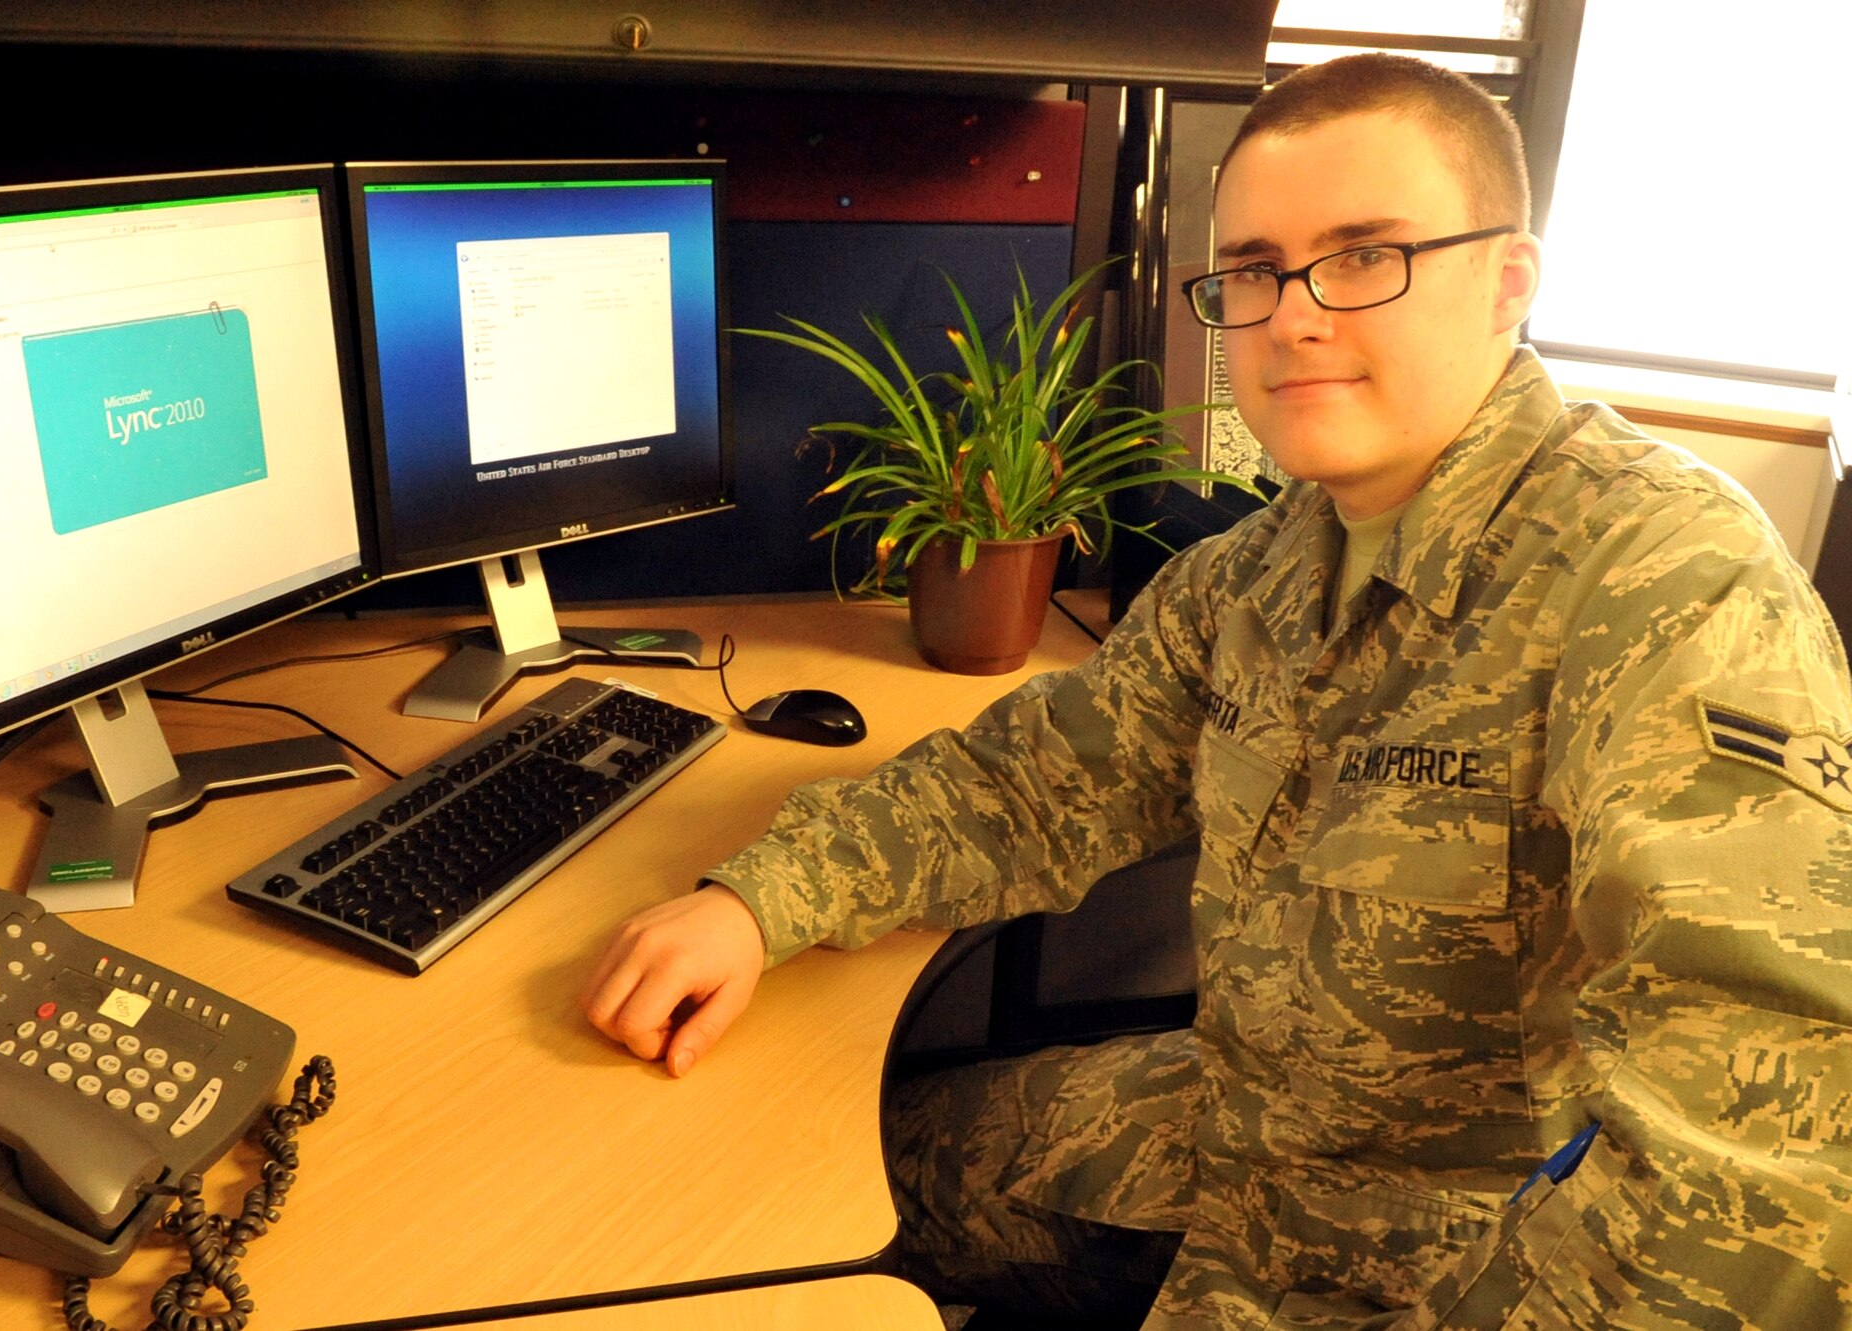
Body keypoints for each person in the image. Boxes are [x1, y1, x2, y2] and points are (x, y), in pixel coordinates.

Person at [583, 52, 1852, 1330]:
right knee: (828, 1183)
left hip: (1454, 1253)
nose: (1292, 315)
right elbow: (1030, 782)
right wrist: (759, 901)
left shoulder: (1663, 583)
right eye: (1251, 270)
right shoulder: (1256, 570)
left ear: (1504, 281)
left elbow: (1767, 1147)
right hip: (1237, 1128)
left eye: (1364, 256)